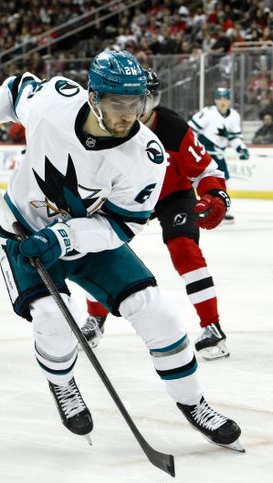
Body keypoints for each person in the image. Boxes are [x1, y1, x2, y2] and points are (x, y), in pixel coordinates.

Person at [0, 50, 242, 450]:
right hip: (22, 232)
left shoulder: (146, 155)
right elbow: (14, 92)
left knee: (159, 314)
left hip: (89, 236)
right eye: (118, 104)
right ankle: (63, 384)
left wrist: (65, 238)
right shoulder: (54, 100)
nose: (128, 115)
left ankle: (195, 403)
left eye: (135, 105)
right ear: (94, 98)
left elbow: (122, 225)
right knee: (53, 320)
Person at [82, 68, 232, 360]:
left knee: (184, 248)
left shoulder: (173, 128)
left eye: (139, 101)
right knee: (97, 247)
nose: (131, 112)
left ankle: (212, 325)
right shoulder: (105, 126)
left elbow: (206, 171)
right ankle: (95, 319)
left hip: (171, 196)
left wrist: (215, 195)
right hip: (125, 197)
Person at [188, 87, 250, 222]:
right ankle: (199, 207)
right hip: (204, 150)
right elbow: (189, 129)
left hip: (219, 152)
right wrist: (192, 147)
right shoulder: (207, 113)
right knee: (202, 179)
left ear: (229, 101)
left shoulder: (234, 116)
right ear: (215, 100)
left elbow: (234, 137)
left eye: (225, 99)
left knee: (223, 178)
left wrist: (241, 148)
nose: (222, 102)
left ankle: (219, 207)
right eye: (219, 98)